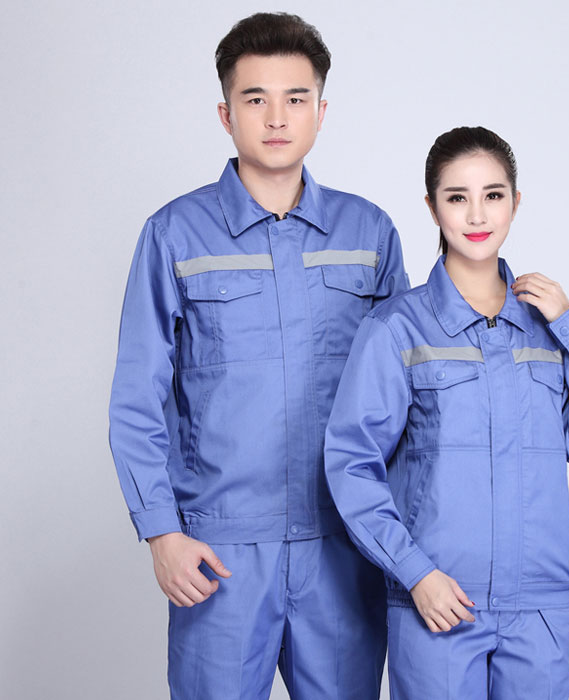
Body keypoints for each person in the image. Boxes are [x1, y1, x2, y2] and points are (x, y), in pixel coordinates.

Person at [108, 12, 409, 699]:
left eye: (295, 98)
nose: (277, 118)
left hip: (346, 547)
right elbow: (137, 396)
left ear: (321, 112)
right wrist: (161, 532)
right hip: (219, 553)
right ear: (226, 114)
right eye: (255, 99)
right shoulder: (174, 235)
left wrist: (405, 538)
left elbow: (405, 399)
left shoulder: (369, 233)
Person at [324, 126, 569, 699]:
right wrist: (415, 573)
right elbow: (351, 465)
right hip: (440, 603)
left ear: (516, 201)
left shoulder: (546, 326)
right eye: (457, 197)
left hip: (539, 608)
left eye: (493, 194)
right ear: (432, 207)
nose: (477, 214)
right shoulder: (397, 328)